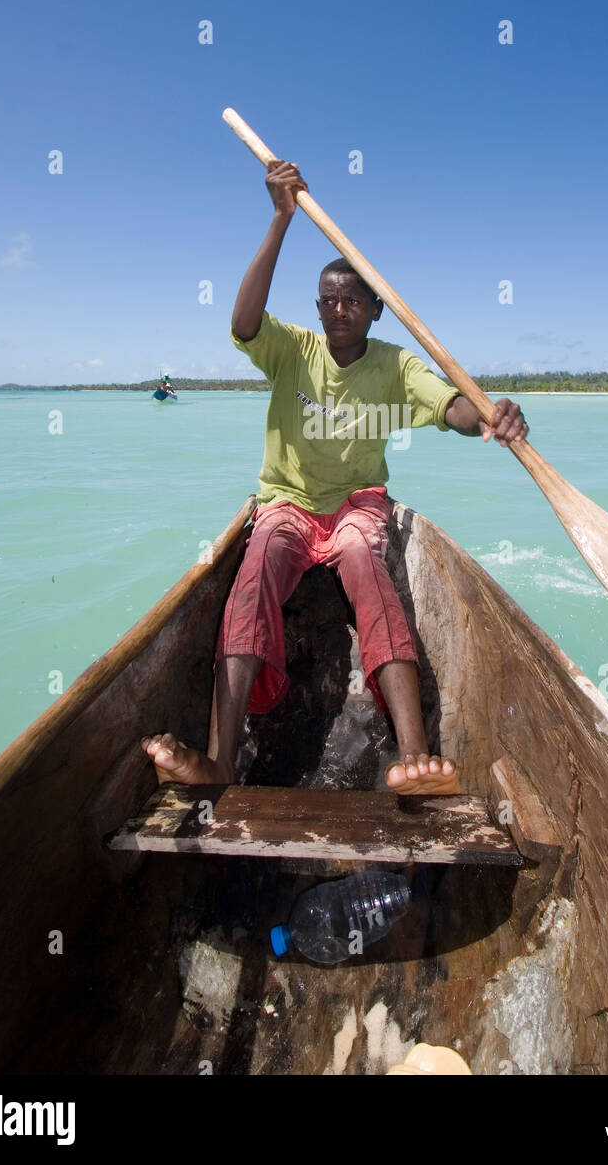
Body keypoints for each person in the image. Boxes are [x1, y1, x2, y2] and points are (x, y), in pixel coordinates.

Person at [142, 159, 528, 794]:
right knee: (256, 566)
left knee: (369, 573)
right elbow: (242, 324)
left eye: (351, 300)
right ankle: (219, 760)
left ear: (376, 311)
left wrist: (489, 417)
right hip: (287, 503)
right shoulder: (294, 349)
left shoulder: (396, 366)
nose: (338, 310)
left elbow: (449, 407)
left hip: (357, 506)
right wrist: (279, 218)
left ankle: (413, 756)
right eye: (328, 301)